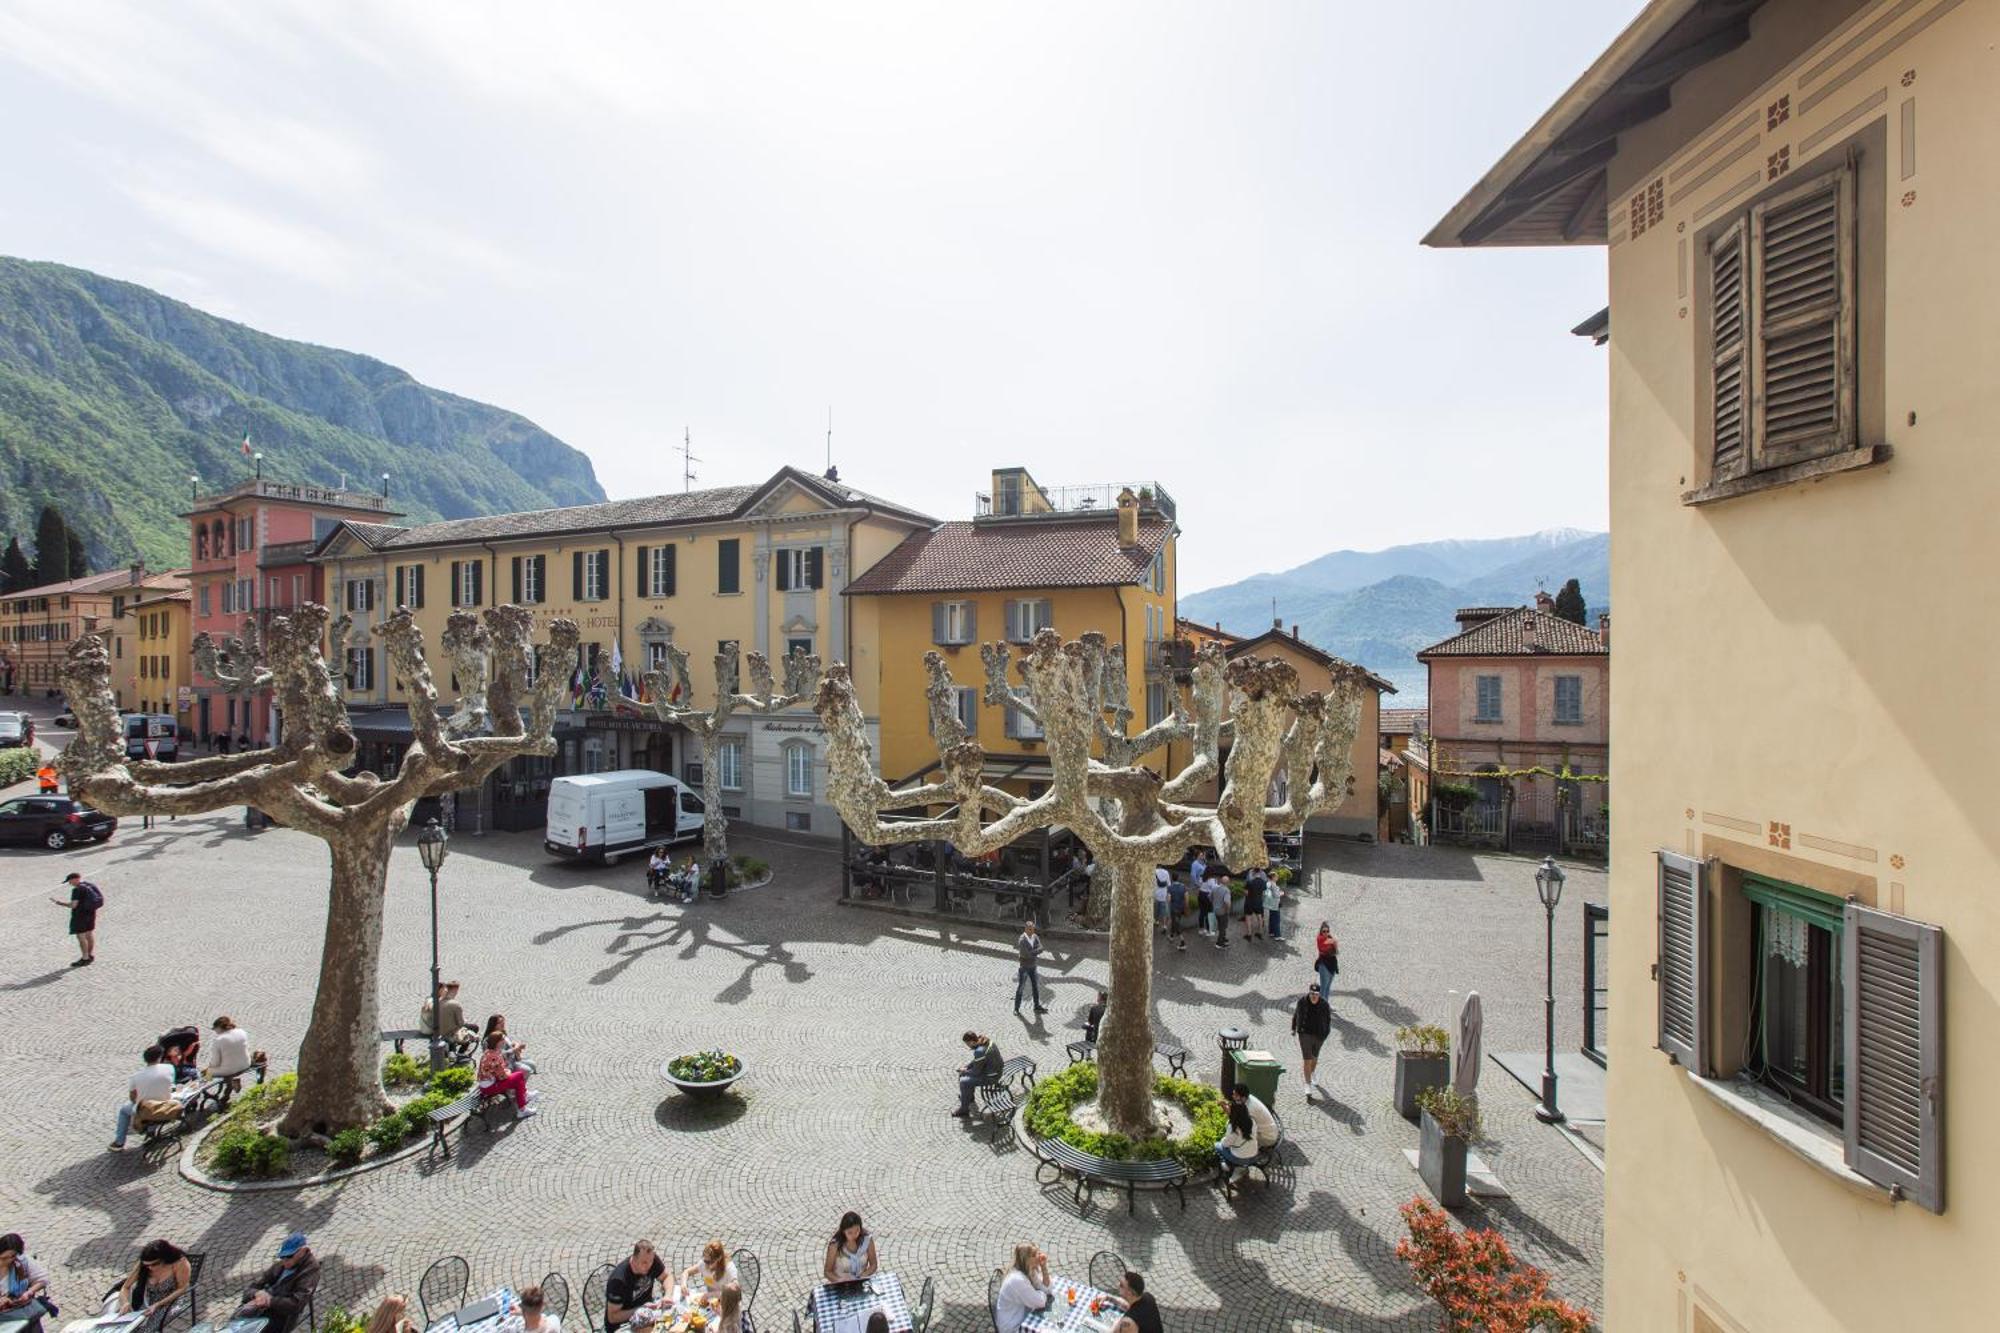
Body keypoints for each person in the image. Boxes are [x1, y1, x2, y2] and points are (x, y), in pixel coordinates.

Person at [234, 1232, 320, 1333]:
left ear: (303, 1251)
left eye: (289, 1256)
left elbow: (296, 1304)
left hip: (282, 1315)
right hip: (264, 1306)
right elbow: (251, 1288)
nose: (284, 1261)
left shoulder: (310, 1271)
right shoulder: (282, 1265)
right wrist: (256, 1294)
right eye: (282, 1257)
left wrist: (269, 1301)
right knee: (235, 1322)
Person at [107, 1240, 191, 1331]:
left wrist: (158, 1304)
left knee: (146, 1330)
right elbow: (125, 1287)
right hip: (147, 1302)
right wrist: (125, 1303)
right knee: (129, 1329)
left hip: (171, 1302)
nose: (150, 1268)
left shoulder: (179, 1263)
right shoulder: (144, 1265)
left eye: (154, 1264)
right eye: (147, 1265)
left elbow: (182, 1288)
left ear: (164, 1258)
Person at [110, 1046, 179, 1152]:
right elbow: (172, 1085)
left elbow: (133, 1098)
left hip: (146, 1109)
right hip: (166, 1105)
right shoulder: (169, 1068)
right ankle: (151, 1131)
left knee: (124, 1110)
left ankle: (119, 1142)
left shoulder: (136, 1077)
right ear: (159, 1057)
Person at [604, 1241, 668, 1332]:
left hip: (647, 1314)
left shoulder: (650, 1260)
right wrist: (640, 1309)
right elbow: (613, 1317)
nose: (649, 1266)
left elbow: (666, 1277)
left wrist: (667, 1296)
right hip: (623, 1325)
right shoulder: (618, 1281)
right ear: (634, 1259)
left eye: (651, 1261)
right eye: (644, 1263)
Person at [0, 1233, 54, 1333]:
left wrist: (29, 1292)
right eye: (2, 1258)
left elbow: (42, 1279)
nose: (4, 1262)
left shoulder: (21, 1262)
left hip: (25, 1313)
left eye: (10, 1257)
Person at [476, 1030, 537, 1117]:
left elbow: (498, 1071)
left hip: (489, 1083)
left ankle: (524, 1100)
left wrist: (506, 1071)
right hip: (490, 1087)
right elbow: (502, 1077)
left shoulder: (489, 1052)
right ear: (498, 1042)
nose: (504, 1041)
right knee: (519, 1075)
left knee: (517, 1081)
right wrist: (508, 1071)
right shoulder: (494, 1056)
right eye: (502, 1039)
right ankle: (522, 1107)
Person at [992, 1244, 1052, 1333]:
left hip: (1022, 1313)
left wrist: (1043, 1267)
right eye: (1035, 1254)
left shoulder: (1029, 1270)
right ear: (1026, 1259)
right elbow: (1040, 1302)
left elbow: (1046, 1289)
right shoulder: (1017, 1280)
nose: (1039, 1256)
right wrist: (1040, 1293)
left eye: (1038, 1252)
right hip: (1011, 1326)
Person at [1291, 982, 1333, 1101]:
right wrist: (1294, 1028)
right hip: (1305, 1034)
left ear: (1319, 994)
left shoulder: (1324, 1005)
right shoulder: (1302, 1001)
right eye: (1311, 993)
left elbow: (1328, 1021)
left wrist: (1325, 1035)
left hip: (1319, 1035)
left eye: (1316, 994)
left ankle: (1312, 1072)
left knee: (1314, 1058)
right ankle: (1307, 1085)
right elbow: (1296, 1014)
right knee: (1307, 1059)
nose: (1313, 996)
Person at [51, 872, 100, 967]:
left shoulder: (77, 890)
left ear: (75, 879)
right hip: (90, 913)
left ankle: (84, 958)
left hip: (80, 916)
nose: (70, 883)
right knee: (89, 935)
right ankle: (90, 955)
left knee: (81, 937)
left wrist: (59, 903)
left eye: (70, 881)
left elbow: (73, 905)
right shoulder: (91, 885)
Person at [952, 1031, 1002, 1118]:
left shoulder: (979, 1051)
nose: (967, 1046)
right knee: (964, 1075)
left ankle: (964, 1109)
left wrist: (964, 1071)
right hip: (996, 1070)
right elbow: (977, 1060)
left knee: (964, 1081)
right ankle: (968, 1097)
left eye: (967, 1043)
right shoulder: (985, 1041)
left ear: (971, 1042)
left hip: (991, 1077)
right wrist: (967, 1067)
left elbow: (976, 1072)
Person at [823, 1212, 878, 1282]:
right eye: (850, 1232)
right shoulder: (835, 1245)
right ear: (843, 1231)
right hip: (841, 1285)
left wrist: (863, 1275)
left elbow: (873, 1265)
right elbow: (827, 1272)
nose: (854, 1235)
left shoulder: (867, 1240)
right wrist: (840, 1280)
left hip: (861, 1282)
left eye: (857, 1230)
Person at [1213, 1099, 1259, 1183]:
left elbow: (1225, 1144)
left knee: (1216, 1145)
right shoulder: (1252, 1121)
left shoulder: (1233, 1128)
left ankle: (1227, 1165)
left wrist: (1223, 1139)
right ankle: (1237, 1167)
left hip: (1240, 1159)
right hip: (1254, 1155)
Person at [420, 981, 475, 1048]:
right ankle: (461, 1053)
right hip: (432, 1029)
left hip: (434, 1027)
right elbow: (459, 1022)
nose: (446, 991)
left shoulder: (439, 1000)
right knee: (472, 1028)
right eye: (444, 989)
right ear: (440, 990)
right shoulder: (434, 1000)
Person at [204, 1015, 255, 1084]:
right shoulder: (242, 1032)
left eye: (215, 1029)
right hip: (245, 1064)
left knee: (208, 1072)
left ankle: (205, 1084)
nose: (214, 1031)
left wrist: (209, 1067)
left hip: (229, 1070)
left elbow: (215, 1062)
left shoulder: (219, 1040)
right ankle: (233, 1082)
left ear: (219, 1028)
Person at [1013, 920, 1048, 1016]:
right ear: (1026, 929)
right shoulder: (1022, 940)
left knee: (1035, 986)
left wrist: (1033, 952)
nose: (1032, 931)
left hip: (1033, 966)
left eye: (1033, 929)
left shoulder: (1035, 937)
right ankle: (1016, 1008)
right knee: (1021, 987)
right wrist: (1036, 952)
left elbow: (1041, 948)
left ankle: (1036, 1006)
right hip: (1024, 967)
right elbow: (1026, 954)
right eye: (1030, 929)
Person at [1315, 922, 1340, 1001]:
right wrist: (1333, 941)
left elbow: (1336, 951)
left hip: (1332, 963)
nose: (1326, 933)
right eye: (1324, 931)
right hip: (1323, 964)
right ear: (1321, 932)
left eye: (1327, 931)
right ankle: (1322, 1006)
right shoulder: (1320, 938)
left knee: (1328, 986)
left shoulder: (1330, 938)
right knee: (1323, 986)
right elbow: (1328, 943)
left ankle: (1326, 1003)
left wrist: (1334, 942)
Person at [1242, 868, 1267, 942]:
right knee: (1260, 917)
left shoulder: (1250, 882)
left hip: (1249, 902)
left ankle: (1249, 935)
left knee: (1248, 918)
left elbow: (1246, 893)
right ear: (1260, 872)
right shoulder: (1263, 882)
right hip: (1259, 902)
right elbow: (1263, 893)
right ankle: (1260, 933)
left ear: (1253, 873)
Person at [1208, 872, 1231, 950]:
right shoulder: (1226, 890)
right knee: (1222, 927)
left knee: (1221, 926)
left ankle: (1223, 938)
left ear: (1221, 881)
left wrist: (1214, 903)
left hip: (1215, 910)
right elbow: (1227, 902)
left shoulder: (1214, 888)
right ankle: (1219, 943)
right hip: (1222, 911)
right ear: (1227, 883)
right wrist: (1227, 910)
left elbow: (1209, 897)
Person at [1152, 867, 1169, 934]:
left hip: (1155, 895)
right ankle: (1164, 926)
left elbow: (1152, 883)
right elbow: (1169, 884)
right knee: (1164, 912)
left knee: (1156, 910)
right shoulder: (1166, 872)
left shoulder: (1154, 871)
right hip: (1164, 895)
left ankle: (1156, 921)